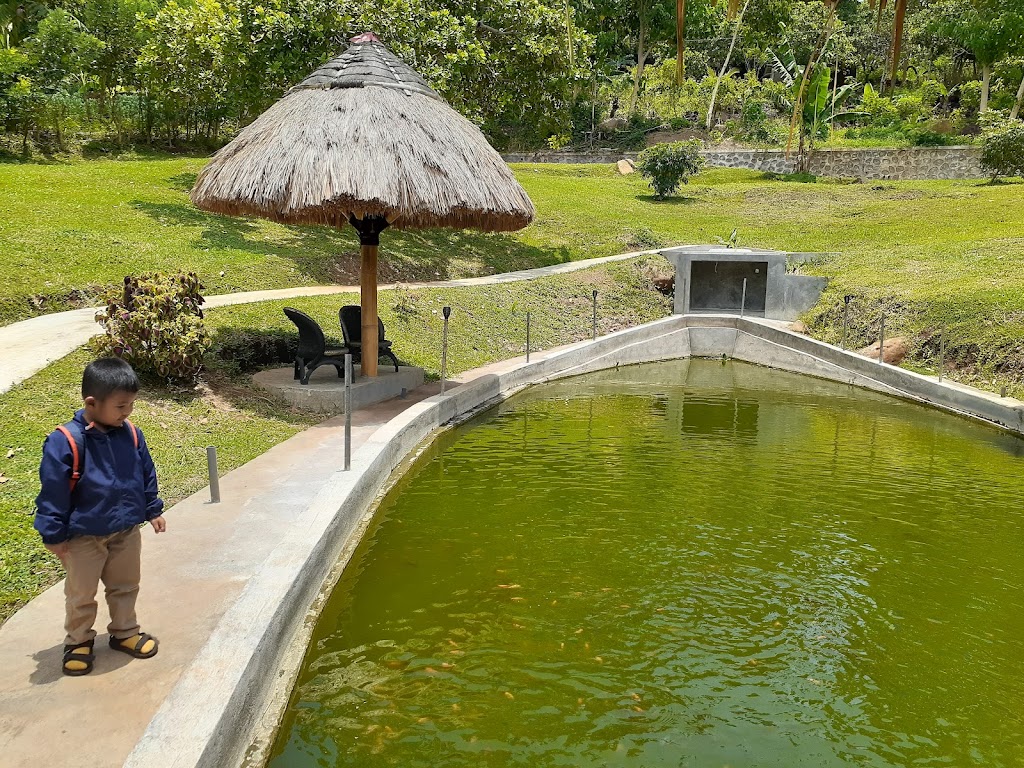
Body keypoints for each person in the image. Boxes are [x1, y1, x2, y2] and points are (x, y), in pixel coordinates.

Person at [34, 357, 166, 676]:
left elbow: (145, 473)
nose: (127, 412)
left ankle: (125, 632)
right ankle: (78, 641)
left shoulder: (131, 434)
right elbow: (53, 491)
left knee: (125, 585)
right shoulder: (65, 441)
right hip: (84, 536)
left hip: (126, 530)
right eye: (121, 406)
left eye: (131, 404)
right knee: (81, 593)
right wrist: (52, 533)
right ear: (91, 403)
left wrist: (152, 509)